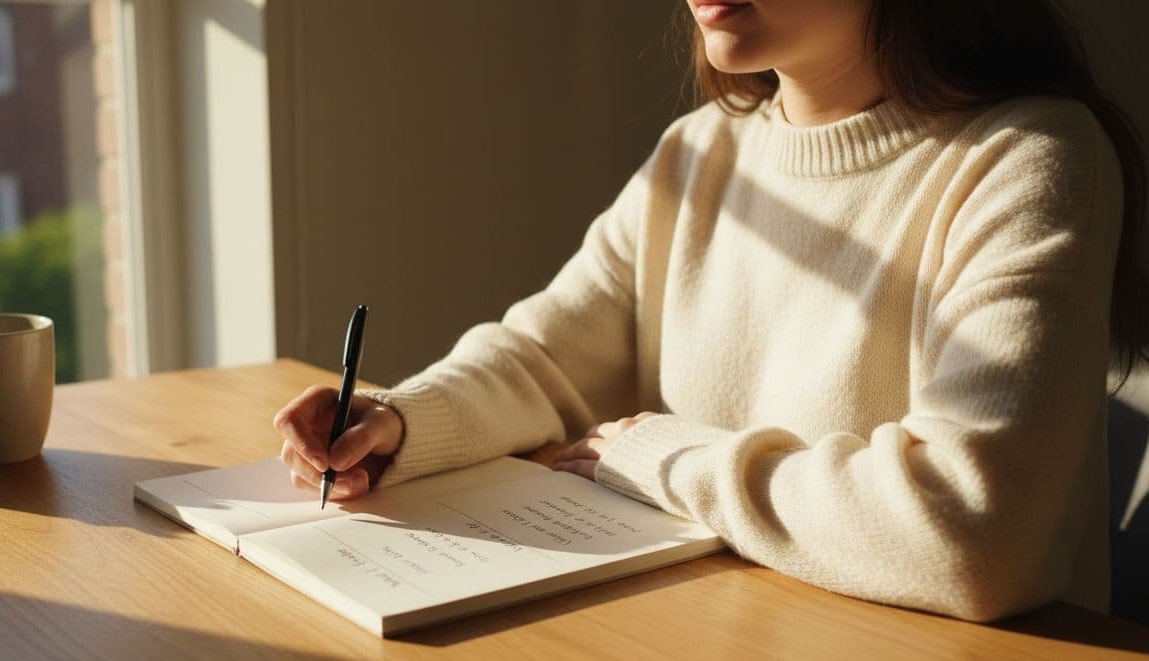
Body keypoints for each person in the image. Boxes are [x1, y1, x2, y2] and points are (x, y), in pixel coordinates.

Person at [273, 0, 1147, 622]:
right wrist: (399, 420)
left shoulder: (1029, 158)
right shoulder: (699, 153)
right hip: (731, 641)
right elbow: (546, 357)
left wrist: (662, 457)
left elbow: (972, 534)